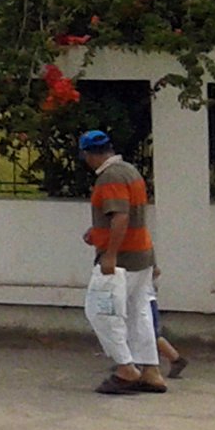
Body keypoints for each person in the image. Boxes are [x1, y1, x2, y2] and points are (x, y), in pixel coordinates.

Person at [79, 130, 165, 395]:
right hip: (142, 255)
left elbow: (120, 217)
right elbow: (137, 216)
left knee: (101, 312)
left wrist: (110, 254)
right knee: (139, 313)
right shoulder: (129, 171)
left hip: (122, 260)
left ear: (88, 155)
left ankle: (126, 368)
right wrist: (97, 233)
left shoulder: (110, 177)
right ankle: (151, 371)